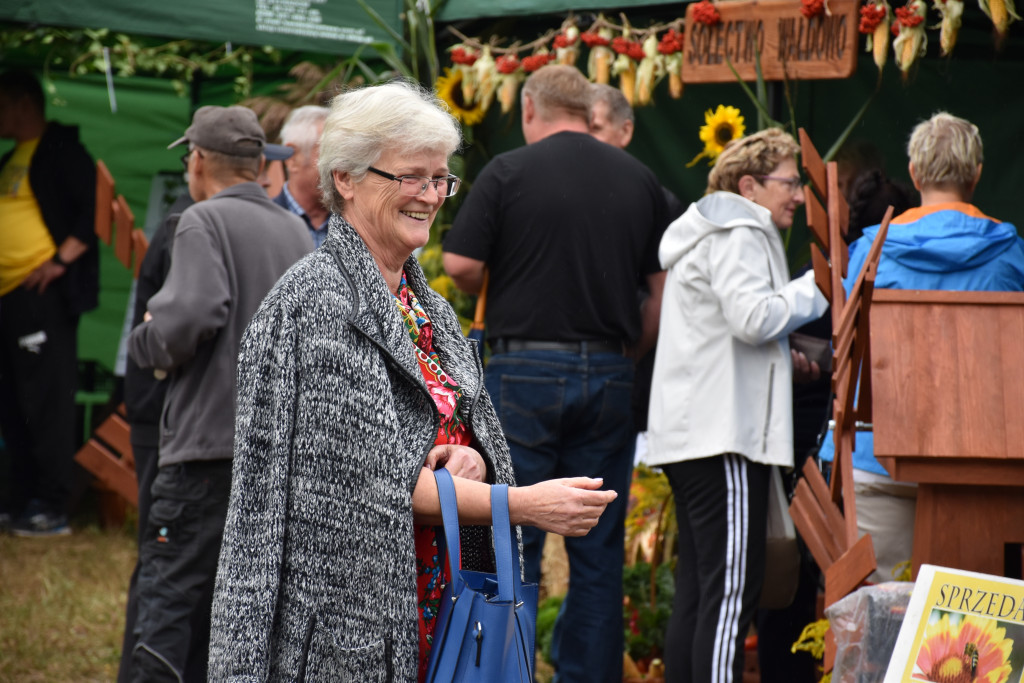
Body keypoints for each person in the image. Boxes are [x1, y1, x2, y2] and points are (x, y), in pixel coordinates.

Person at [207, 80, 617, 682]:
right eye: (411, 177)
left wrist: (467, 456)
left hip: (438, 603)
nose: (430, 195)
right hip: (350, 624)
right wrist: (524, 506)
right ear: (345, 178)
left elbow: (418, 439)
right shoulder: (320, 305)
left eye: (440, 179)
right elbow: (368, 486)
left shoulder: (425, 306)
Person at [443, 65, 669, 682]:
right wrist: (628, 354)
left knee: (516, 533)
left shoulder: (509, 171)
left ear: (530, 111)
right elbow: (660, 289)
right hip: (610, 370)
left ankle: (507, 671)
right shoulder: (638, 176)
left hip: (523, 371)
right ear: (588, 110)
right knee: (597, 552)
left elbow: (459, 262)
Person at [125, 105, 312, 682]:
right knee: (235, 610)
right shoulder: (297, 231)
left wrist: (146, 340)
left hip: (202, 450)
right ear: (261, 165)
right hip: (273, 456)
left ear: (198, 160)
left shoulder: (200, 221)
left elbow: (196, 314)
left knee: (169, 595)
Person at [646, 128, 829, 683]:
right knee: (731, 593)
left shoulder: (714, 232)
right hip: (722, 435)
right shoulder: (741, 230)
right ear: (749, 185)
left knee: (703, 591)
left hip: (696, 432)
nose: (798, 195)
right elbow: (753, 319)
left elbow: (733, 328)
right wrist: (818, 285)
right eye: (790, 182)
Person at [818, 111, 1024, 583]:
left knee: (885, 632)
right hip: (982, 471)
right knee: (970, 641)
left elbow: (849, 358)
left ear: (914, 173)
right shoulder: (1011, 257)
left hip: (876, 461)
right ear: (976, 174)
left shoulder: (871, 252)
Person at [0, 68, 98, 536]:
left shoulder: (61, 150)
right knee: (12, 400)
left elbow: (93, 210)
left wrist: (60, 262)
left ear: (22, 103)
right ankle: (17, 498)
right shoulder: (11, 158)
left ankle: (52, 504)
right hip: (9, 298)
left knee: (45, 401)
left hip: (43, 298)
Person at [588, 82, 684, 439]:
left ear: (625, 131)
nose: (584, 138)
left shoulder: (655, 201)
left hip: (631, 377)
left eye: (594, 128)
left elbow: (666, 295)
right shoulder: (555, 192)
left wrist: (627, 356)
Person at [273, 104, 331, 248]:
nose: (340, 165)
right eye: (328, 152)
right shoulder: (264, 223)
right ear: (293, 159)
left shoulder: (357, 224)